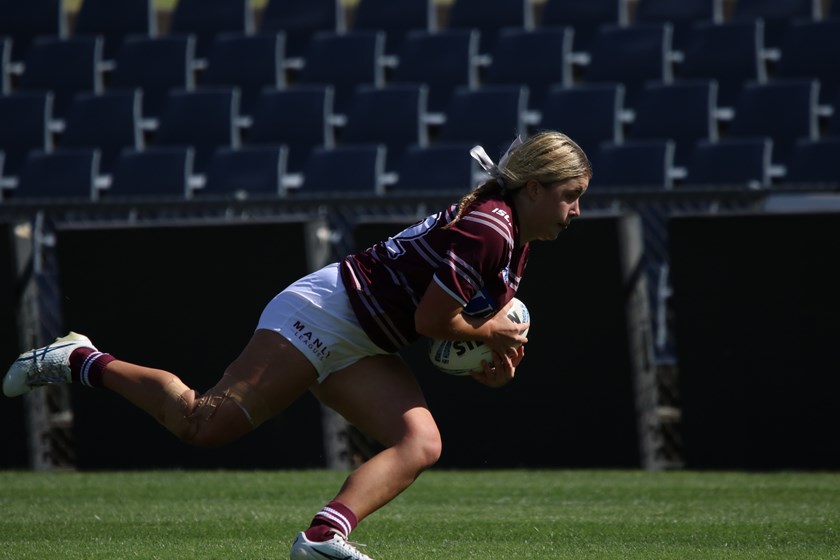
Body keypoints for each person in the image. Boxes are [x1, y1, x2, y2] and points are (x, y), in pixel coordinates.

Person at [3, 130, 591, 560]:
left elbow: (451, 328)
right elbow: (434, 319)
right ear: (533, 188)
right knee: (202, 424)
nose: (576, 210)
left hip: (364, 338)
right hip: (323, 314)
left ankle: (321, 537)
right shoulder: (491, 229)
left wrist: (486, 363)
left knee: (421, 442)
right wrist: (486, 335)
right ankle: (79, 358)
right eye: (570, 195)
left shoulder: (513, 237)